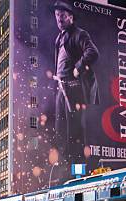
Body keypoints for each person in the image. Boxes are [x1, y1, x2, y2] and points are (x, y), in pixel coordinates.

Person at [51, 1, 99, 166]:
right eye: (57, 16)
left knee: (75, 131)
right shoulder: (59, 38)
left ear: (70, 17)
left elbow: (93, 52)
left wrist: (78, 67)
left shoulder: (79, 34)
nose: (59, 19)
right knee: (61, 129)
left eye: (62, 16)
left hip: (74, 88)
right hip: (62, 88)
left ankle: (77, 169)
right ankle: (65, 168)